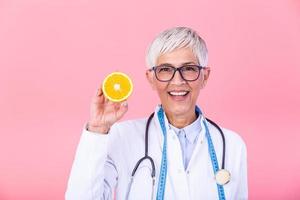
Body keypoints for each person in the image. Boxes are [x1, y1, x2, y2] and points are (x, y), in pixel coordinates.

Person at [65, 27, 248, 200]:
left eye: (188, 69)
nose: (178, 81)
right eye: (166, 70)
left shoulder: (231, 145)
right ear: (151, 79)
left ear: (204, 76)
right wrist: (97, 129)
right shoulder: (122, 137)